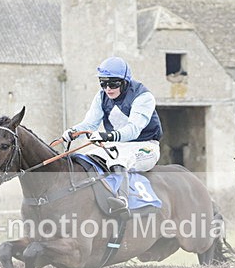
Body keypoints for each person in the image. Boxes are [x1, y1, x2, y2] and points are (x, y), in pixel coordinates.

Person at [62, 56, 162, 216]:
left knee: (119, 160)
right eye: (103, 83)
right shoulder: (101, 96)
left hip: (145, 146)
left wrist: (107, 136)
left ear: (124, 82)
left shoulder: (143, 97)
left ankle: (122, 200)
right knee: (84, 158)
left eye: (113, 83)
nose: (107, 88)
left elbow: (133, 130)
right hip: (116, 145)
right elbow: (90, 124)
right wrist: (73, 131)